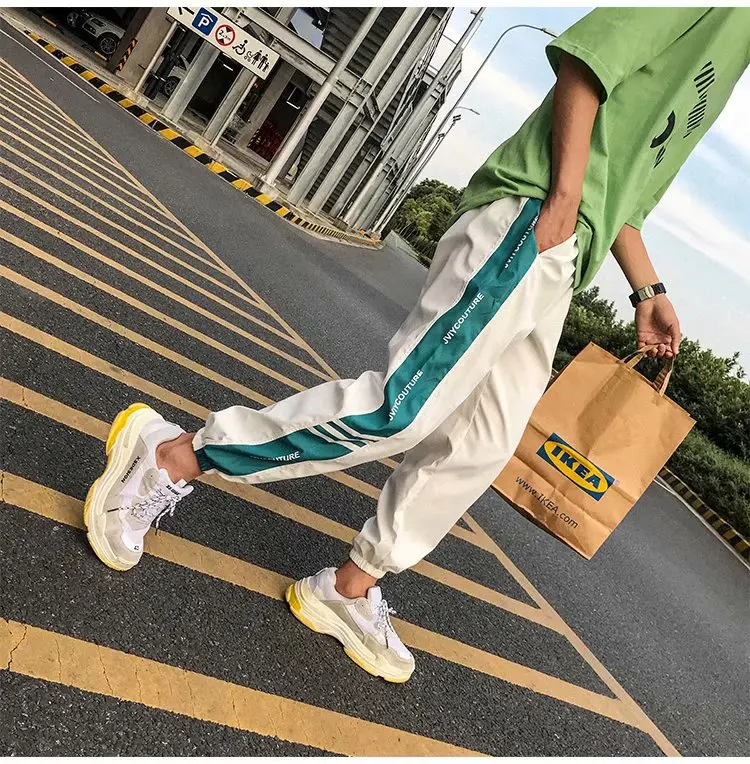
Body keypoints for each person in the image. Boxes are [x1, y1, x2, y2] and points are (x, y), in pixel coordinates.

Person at [83, 8, 749, 683]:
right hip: (535, 221)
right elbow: (588, 61)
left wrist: (647, 290)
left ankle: (349, 586)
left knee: (481, 444)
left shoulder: (728, 67)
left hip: (564, 258)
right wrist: (561, 202)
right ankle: (172, 455)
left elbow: (624, 199)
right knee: (401, 410)